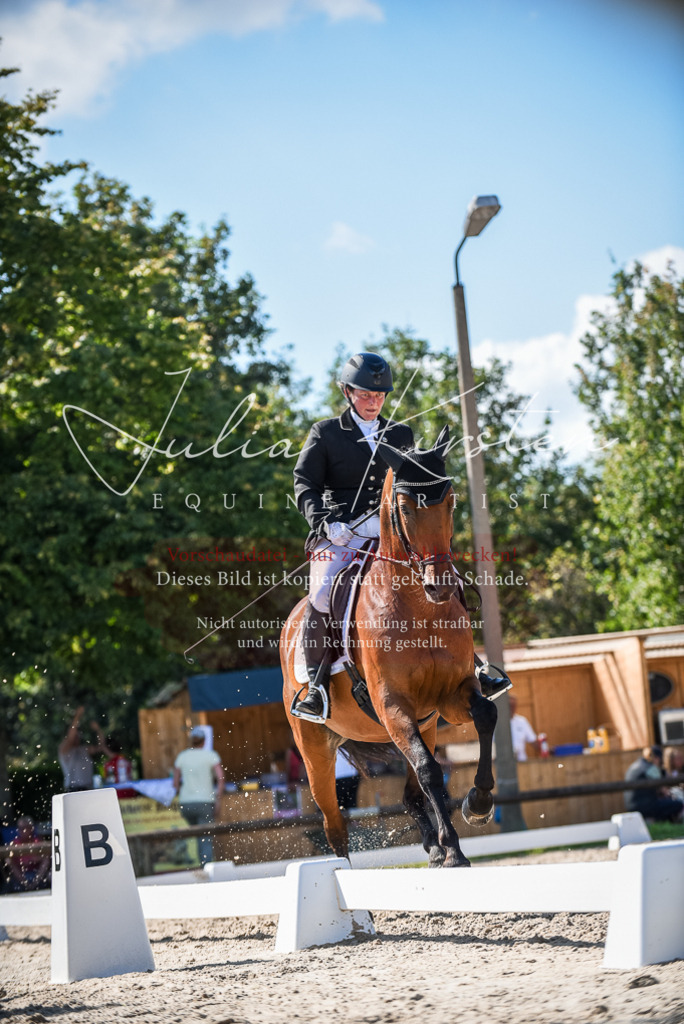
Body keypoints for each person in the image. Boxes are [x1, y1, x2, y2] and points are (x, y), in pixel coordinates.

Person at [291, 351, 510, 723]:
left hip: (393, 534)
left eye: (379, 395)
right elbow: (304, 484)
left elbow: (414, 487)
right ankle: (316, 687)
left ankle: (472, 665)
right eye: (365, 394)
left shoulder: (400, 435)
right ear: (347, 392)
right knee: (322, 592)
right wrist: (326, 523)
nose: (373, 402)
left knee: (447, 578)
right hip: (341, 534)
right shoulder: (325, 433)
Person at [172, 727, 225, 865]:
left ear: (191, 741)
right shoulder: (211, 756)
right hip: (205, 802)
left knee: (198, 836)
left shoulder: (182, 756)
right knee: (205, 837)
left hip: (186, 804)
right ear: (204, 741)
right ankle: (206, 868)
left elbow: (175, 783)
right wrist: (218, 798)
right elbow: (221, 778)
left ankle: (202, 866)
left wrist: (184, 792)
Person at [624, 746, 683, 823]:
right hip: (645, 807)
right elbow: (664, 790)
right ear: (657, 758)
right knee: (678, 804)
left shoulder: (635, 765)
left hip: (631, 807)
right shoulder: (651, 768)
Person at [58, 706, 107, 792]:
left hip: (88, 788)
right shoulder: (64, 750)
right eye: (76, 735)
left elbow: (101, 747)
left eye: (78, 735)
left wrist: (98, 730)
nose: (77, 737)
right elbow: (71, 737)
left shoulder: (84, 749)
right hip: (73, 789)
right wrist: (77, 716)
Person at [7, 816, 51, 892]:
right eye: (20, 828)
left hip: (37, 874)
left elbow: (46, 857)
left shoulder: (38, 842)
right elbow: (9, 860)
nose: (21, 831)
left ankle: (35, 883)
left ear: (31, 828)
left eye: (24, 828)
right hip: (20, 876)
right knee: (9, 861)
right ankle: (25, 884)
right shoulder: (14, 843)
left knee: (46, 862)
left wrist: (34, 859)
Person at [102, 734, 137, 799]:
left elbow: (109, 783)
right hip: (131, 793)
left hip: (118, 794)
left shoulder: (109, 764)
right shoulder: (125, 759)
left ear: (107, 748)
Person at [509, 695, 537, 762]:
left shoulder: (522, 721)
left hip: (522, 762)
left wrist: (546, 748)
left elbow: (533, 741)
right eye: (510, 705)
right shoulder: (496, 723)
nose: (512, 708)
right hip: (504, 763)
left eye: (514, 705)